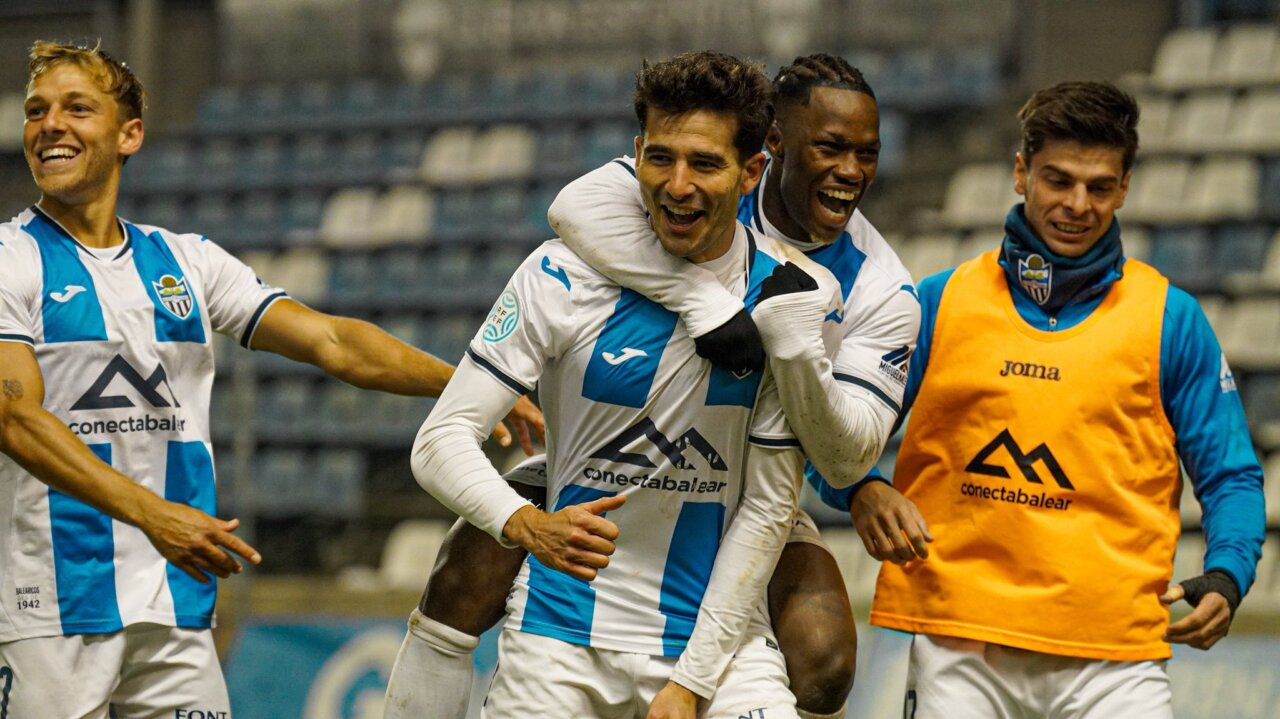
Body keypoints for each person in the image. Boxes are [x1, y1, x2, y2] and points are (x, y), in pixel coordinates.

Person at [0, 40, 542, 718]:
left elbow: (334, 340)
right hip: (52, 605)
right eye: (36, 111)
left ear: (129, 133)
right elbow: (14, 416)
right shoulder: (10, 259)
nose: (50, 125)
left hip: (175, 599)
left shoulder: (186, 262)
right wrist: (154, 514)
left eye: (77, 108)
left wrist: (469, 385)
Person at [383, 53, 915, 719]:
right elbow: (438, 441)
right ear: (635, 155)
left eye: (705, 165)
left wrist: (690, 682)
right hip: (561, 637)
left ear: (751, 171)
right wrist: (528, 524)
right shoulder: (562, 271)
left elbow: (777, 501)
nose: (678, 184)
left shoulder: (809, 299)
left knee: (825, 654)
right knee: (463, 566)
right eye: (660, 160)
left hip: (718, 628)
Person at [821, 81, 1266, 718]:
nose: (1078, 205)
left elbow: (1232, 477)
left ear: (1126, 188)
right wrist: (859, 488)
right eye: (1058, 180)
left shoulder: (1172, 320)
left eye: (1100, 186)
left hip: (1116, 661)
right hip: (960, 649)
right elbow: (830, 431)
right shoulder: (936, 303)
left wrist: (1228, 573)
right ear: (1020, 173)